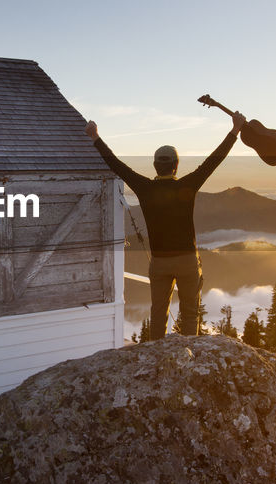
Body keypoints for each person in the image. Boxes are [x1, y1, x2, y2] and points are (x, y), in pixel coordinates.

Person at [86, 111, 245, 341]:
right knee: (190, 314)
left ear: (154, 165)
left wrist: (95, 138)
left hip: (159, 263)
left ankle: (156, 359)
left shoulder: (144, 188)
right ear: (176, 166)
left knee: (158, 313)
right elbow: (213, 161)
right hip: (187, 261)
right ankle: (189, 359)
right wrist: (235, 130)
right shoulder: (187, 186)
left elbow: (117, 165)